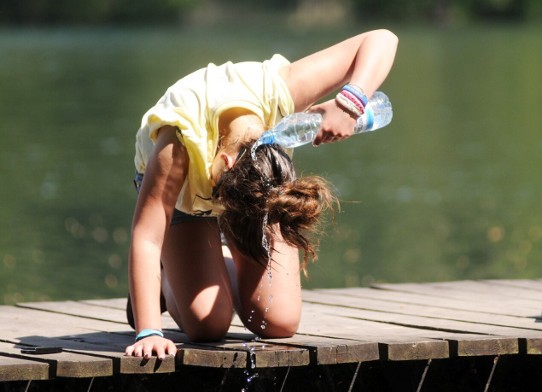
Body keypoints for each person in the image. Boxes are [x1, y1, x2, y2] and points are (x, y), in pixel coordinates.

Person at [124, 29, 398, 359]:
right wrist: (149, 331)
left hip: (255, 192)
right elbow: (146, 238)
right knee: (208, 326)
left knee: (277, 322)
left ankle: (216, 262)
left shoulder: (280, 95)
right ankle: (168, 278)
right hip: (184, 203)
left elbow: (383, 39)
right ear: (223, 163)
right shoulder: (177, 142)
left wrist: (351, 102)